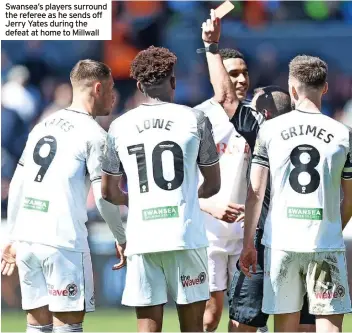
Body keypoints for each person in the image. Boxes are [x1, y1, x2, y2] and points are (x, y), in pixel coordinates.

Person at [201, 10, 316, 332]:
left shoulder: (264, 131)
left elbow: (225, 99)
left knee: (244, 321)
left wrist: (211, 46)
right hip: (308, 238)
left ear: (261, 113)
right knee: (303, 322)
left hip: (265, 238)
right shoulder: (332, 133)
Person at [101, 46, 221, 333]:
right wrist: (188, 196)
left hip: (143, 236)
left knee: (147, 328)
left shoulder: (119, 126)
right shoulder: (195, 119)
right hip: (185, 235)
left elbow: (107, 192)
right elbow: (214, 184)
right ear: (174, 81)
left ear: (140, 86)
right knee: (192, 328)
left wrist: (137, 200)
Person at [1, 59, 126, 333]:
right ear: (97, 88)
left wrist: (13, 236)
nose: (114, 96)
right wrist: (121, 237)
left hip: (29, 240)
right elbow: (103, 195)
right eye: (111, 88)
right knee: (67, 327)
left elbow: (19, 183)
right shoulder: (95, 135)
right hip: (63, 242)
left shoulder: (43, 126)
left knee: (36, 326)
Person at [240, 54, 352, 333]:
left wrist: (248, 244)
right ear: (325, 88)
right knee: (329, 327)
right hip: (324, 243)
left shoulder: (270, 130)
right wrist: (333, 229)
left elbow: (255, 192)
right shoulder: (343, 134)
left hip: (281, 244)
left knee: (285, 328)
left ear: (291, 88)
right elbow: (350, 198)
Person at [195, 46, 250, 332]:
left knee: (244, 318)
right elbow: (180, 182)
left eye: (244, 73)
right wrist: (209, 205)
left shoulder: (256, 118)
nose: (240, 80)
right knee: (209, 317)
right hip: (208, 234)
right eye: (233, 74)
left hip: (246, 236)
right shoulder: (198, 117)